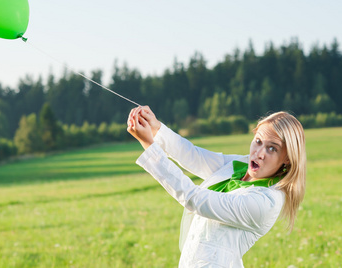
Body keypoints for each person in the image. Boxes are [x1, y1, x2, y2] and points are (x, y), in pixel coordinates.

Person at [127, 106, 306, 268]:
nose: (259, 154)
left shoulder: (266, 201)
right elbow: (194, 156)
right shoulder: (241, 165)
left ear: (288, 158)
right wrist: (156, 129)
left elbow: (194, 199)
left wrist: (149, 146)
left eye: (272, 149)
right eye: (258, 141)